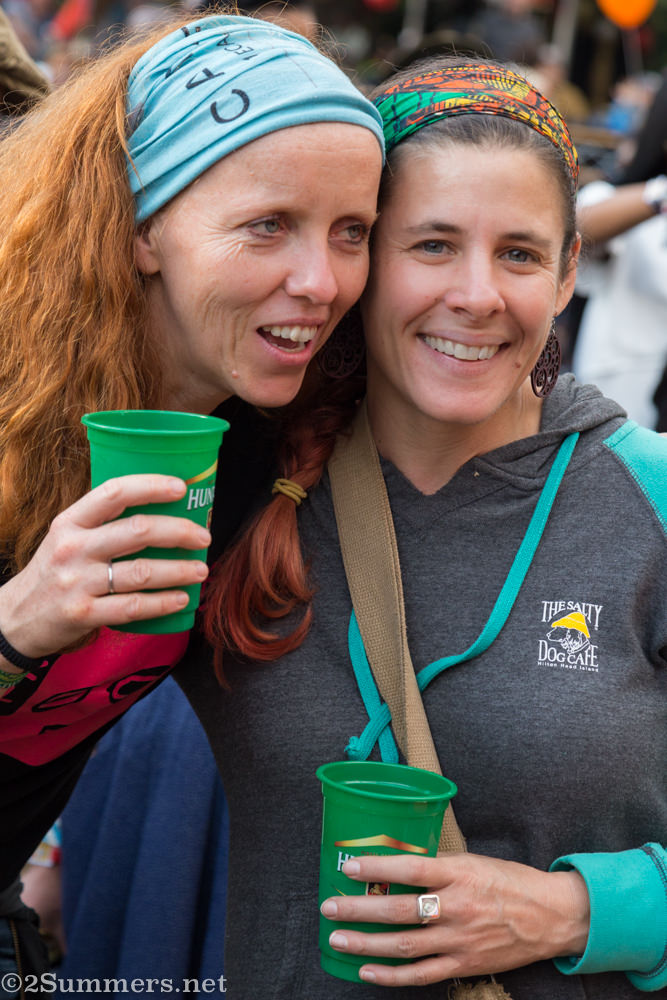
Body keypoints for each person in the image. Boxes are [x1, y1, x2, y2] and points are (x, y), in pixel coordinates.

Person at [177, 57, 667, 997]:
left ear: (568, 271)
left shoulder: (649, 500)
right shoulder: (240, 487)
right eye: (432, 245)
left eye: (518, 254)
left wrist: (576, 910)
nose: (476, 295)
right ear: (360, 262)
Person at [0, 9, 384, 989]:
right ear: (143, 230)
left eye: (352, 232)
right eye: (268, 225)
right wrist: (17, 626)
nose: (321, 281)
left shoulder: (263, 434)